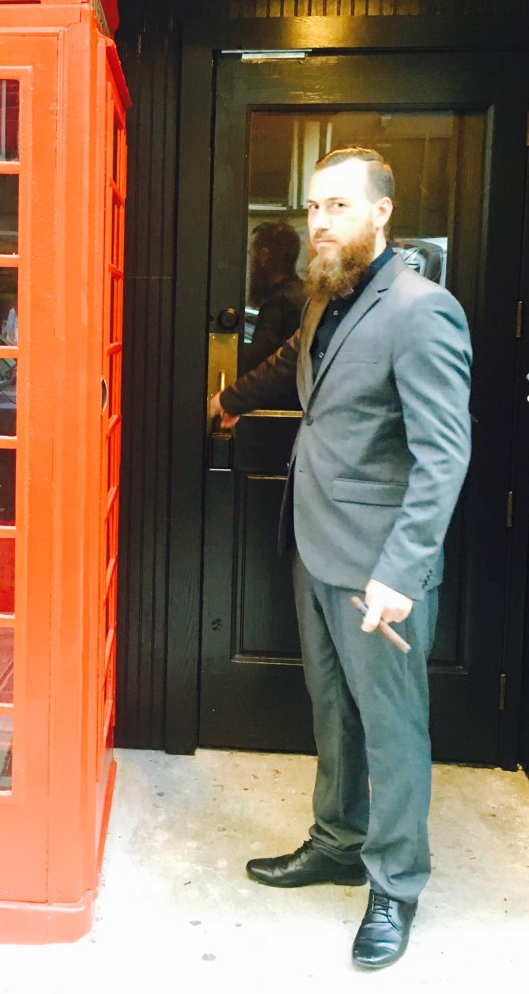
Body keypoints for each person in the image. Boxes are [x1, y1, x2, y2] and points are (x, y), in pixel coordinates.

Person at [209, 146, 472, 970]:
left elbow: (443, 455)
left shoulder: (422, 310)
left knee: (391, 727)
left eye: (339, 206)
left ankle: (395, 882)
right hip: (315, 544)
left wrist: (400, 572)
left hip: (378, 567)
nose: (321, 221)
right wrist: (230, 397)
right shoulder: (328, 294)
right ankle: (336, 840)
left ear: (381, 213)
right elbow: (297, 367)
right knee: (333, 710)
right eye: (315, 207)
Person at [241, 219, 306, 375]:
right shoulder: (304, 293)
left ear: (264, 256)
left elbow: (256, 363)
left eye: (251, 255)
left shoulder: (280, 304)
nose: (250, 264)